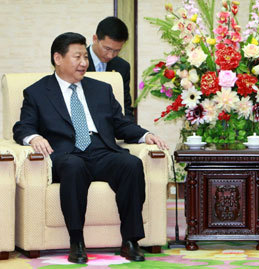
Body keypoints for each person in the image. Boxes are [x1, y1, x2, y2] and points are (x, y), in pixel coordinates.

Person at [13, 32, 169, 264]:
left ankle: (130, 241)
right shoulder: (37, 92)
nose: (84, 62)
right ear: (58, 58)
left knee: (131, 164)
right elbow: (22, 126)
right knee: (74, 166)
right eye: (77, 57)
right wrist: (33, 137)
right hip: (66, 153)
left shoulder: (101, 89)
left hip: (101, 149)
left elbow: (120, 124)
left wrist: (145, 135)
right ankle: (76, 241)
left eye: (85, 56)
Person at [87, 16, 134, 120]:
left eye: (117, 50)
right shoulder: (77, 62)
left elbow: (125, 106)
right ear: (95, 39)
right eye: (107, 48)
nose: (110, 55)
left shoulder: (123, 67)